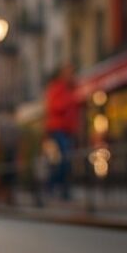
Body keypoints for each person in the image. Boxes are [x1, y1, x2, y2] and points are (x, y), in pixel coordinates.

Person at [45, 65, 80, 200]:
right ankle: (54, 187)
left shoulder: (70, 89)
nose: (71, 75)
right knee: (63, 160)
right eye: (68, 73)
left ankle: (59, 189)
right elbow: (55, 107)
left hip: (68, 130)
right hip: (58, 129)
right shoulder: (57, 89)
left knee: (66, 161)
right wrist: (68, 100)